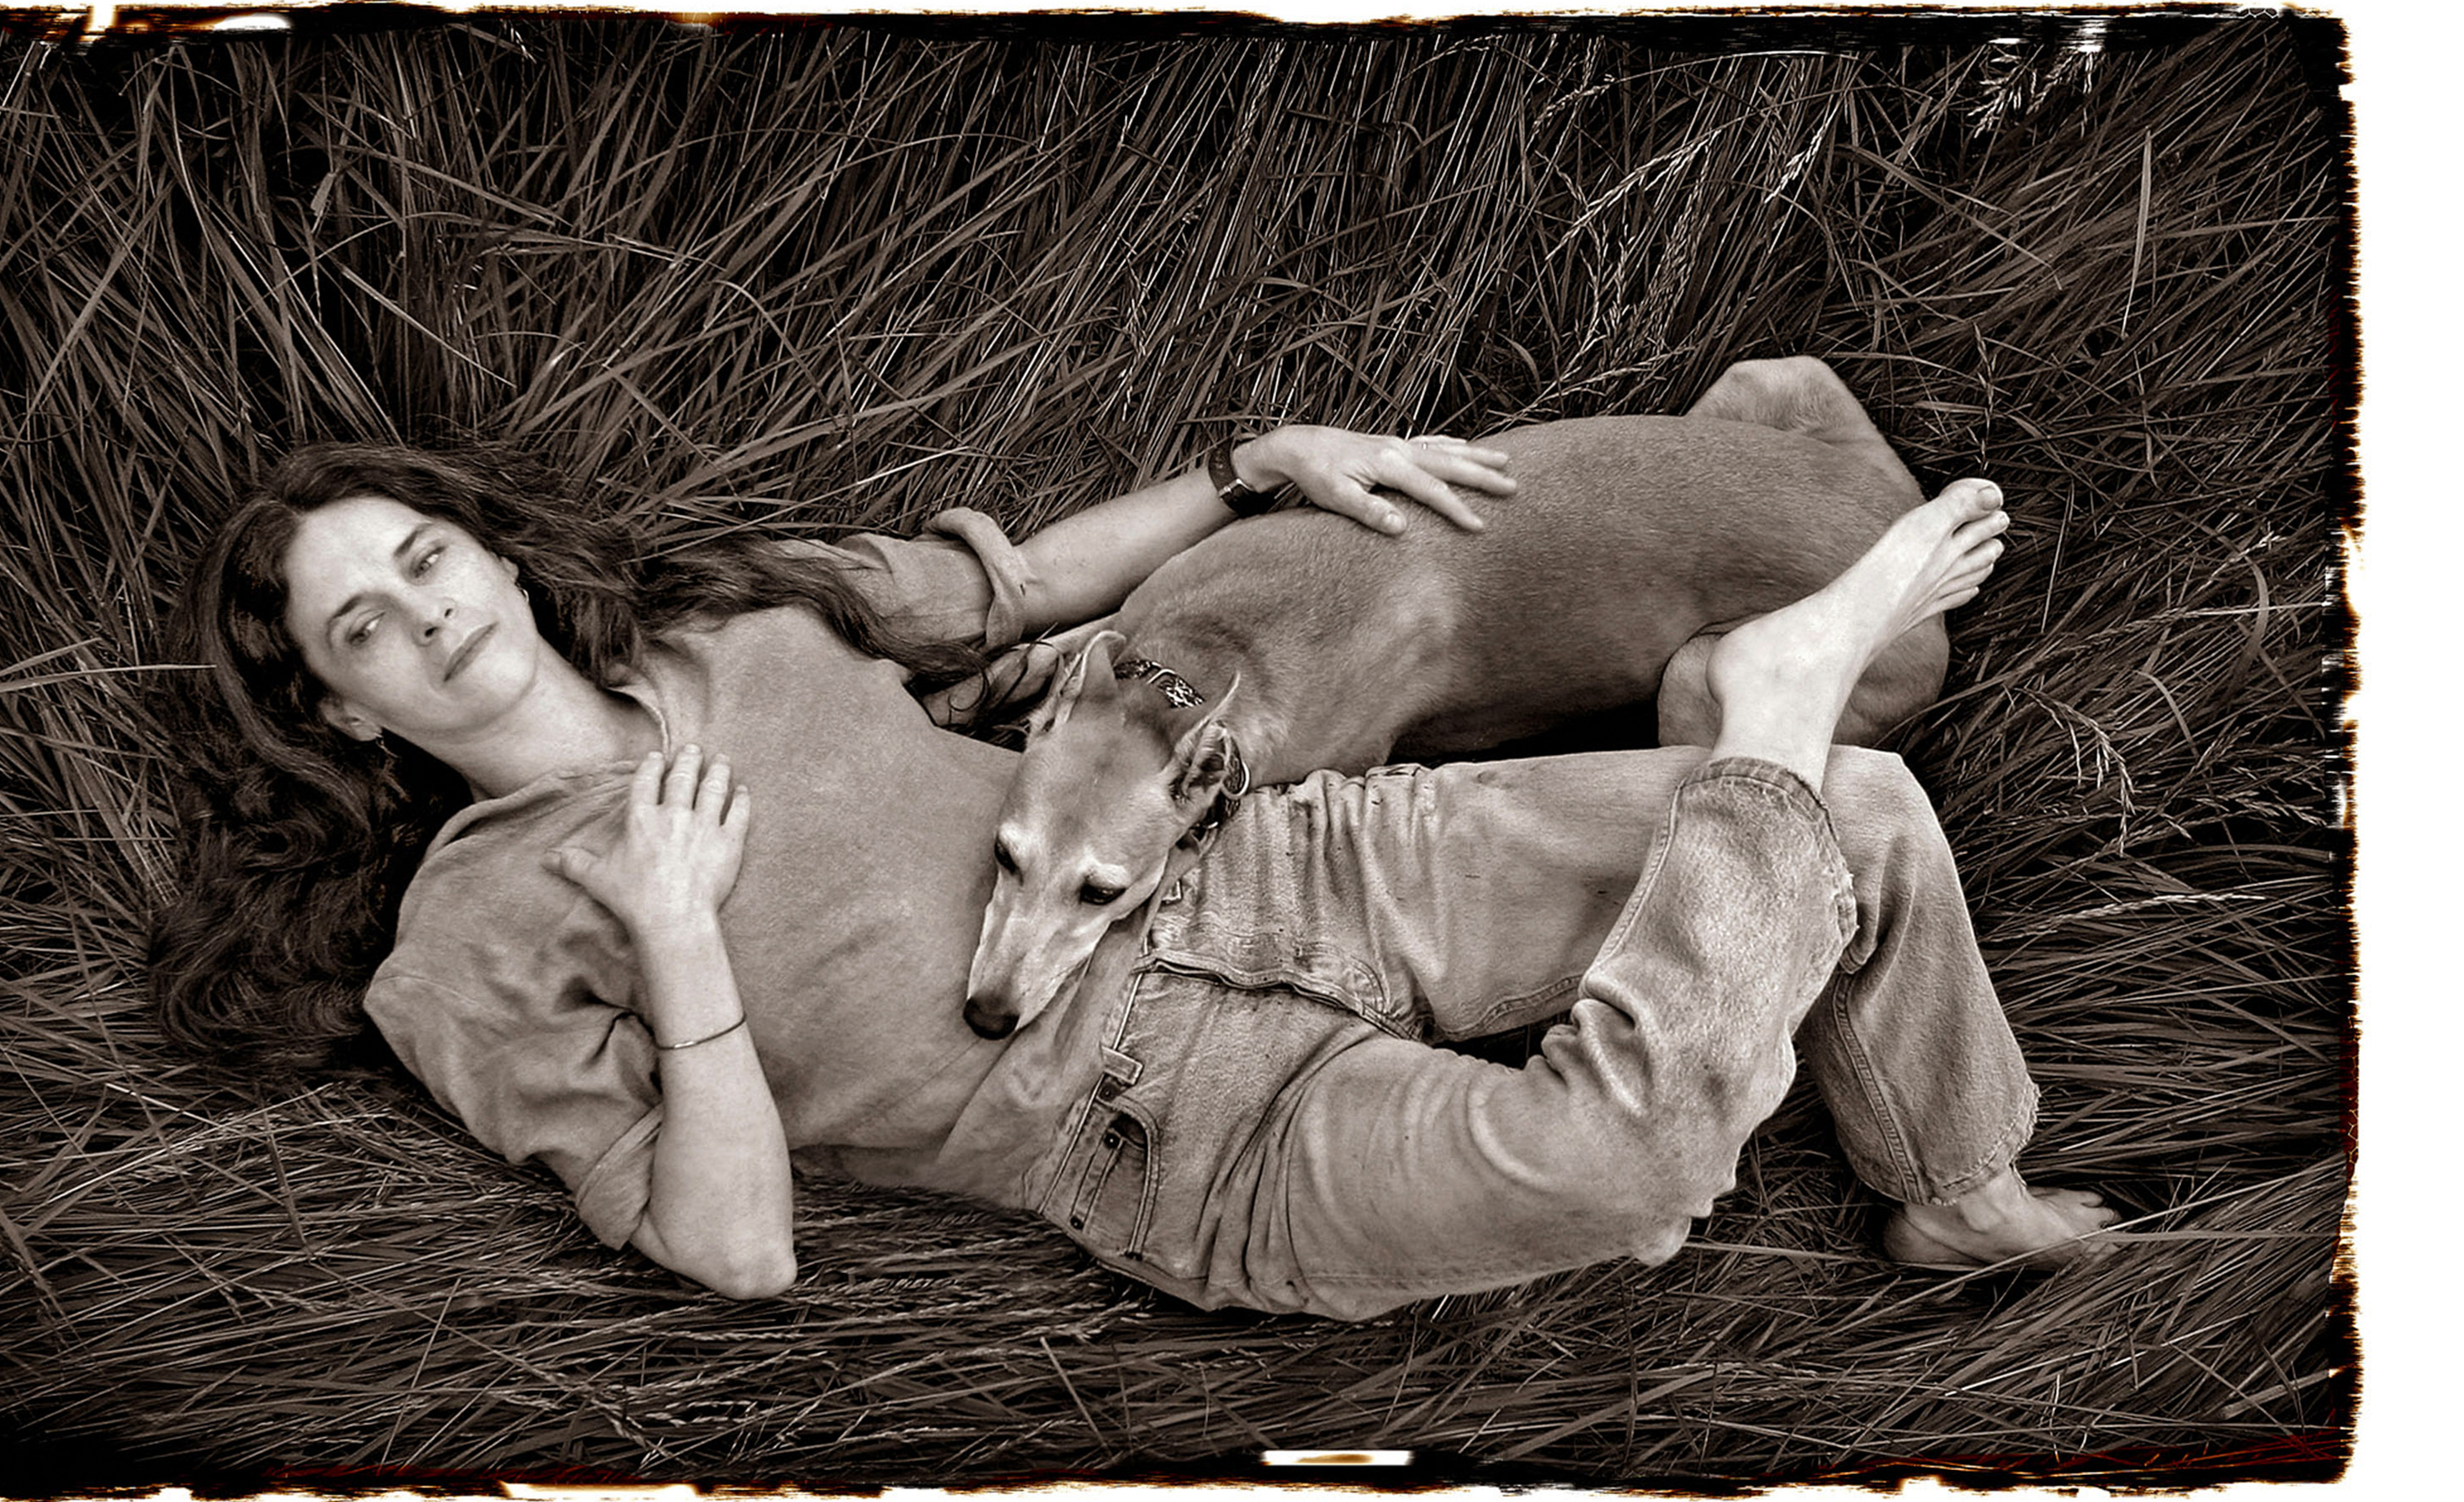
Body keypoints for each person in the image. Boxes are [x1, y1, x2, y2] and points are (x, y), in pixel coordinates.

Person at [155, 418, 2117, 1319]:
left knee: (1874, 812)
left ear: (485, 549)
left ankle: (1950, 1180)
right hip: (1169, 1127)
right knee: (1631, 1155)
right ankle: (1755, 733)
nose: (422, 619)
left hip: (1280, 865)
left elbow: (1021, 585)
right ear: (339, 714)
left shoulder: (734, 616)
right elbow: (728, 1244)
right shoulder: (461, 949)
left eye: (424, 561)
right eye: (359, 633)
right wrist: (679, 948)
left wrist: (1267, 466)